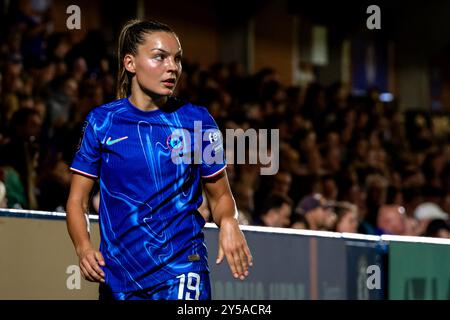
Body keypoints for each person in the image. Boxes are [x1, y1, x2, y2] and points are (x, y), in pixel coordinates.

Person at [65, 19, 252, 300]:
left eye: (177, 59)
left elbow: (221, 197)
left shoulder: (198, 121)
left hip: (182, 269)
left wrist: (228, 221)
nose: (172, 67)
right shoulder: (101, 123)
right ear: (130, 63)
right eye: (160, 57)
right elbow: (77, 201)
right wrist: (83, 247)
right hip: (119, 278)